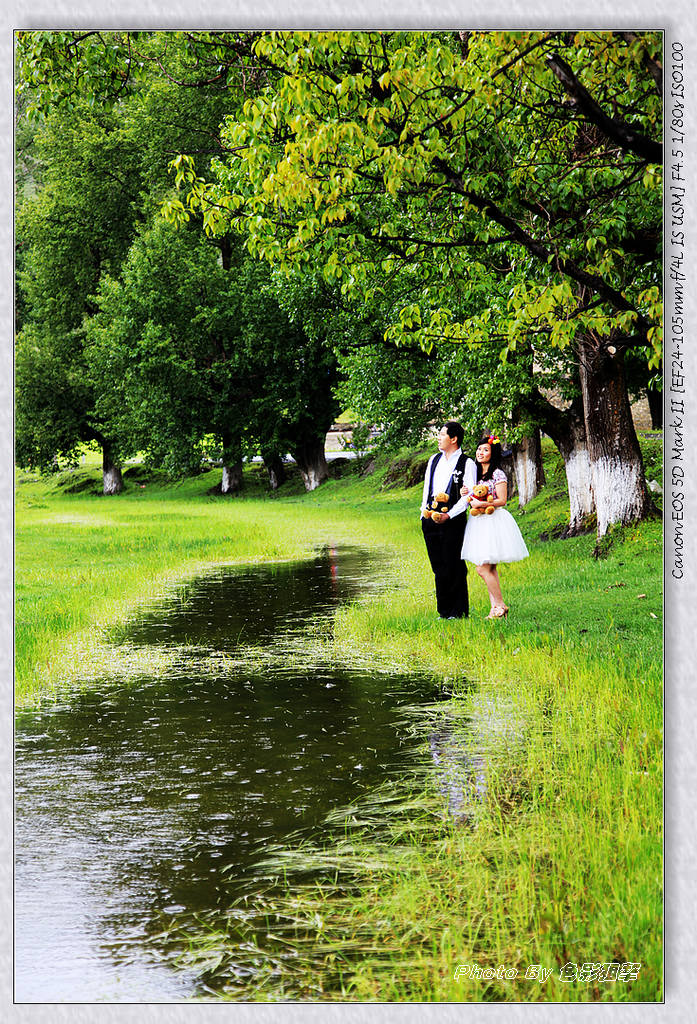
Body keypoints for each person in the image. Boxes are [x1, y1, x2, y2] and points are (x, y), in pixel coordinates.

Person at [460, 434, 529, 619]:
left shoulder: (498, 473)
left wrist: (481, 505)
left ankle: (500, 605)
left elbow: (502, 500)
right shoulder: (475, 473)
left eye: (485, 450)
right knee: (489, 569)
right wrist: (465, 492)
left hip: (493, 522)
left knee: (482, 568)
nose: (480, 453)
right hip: (479, 523)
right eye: (479, 449)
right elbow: (473, 494)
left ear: (493, 453)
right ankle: (495, 609)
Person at [421, 422, 477, 619]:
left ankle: (459, 611)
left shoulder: (467, 463)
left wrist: (450, 514)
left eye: (442, 434)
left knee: (454, 564)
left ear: (453, 439)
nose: (438, 437)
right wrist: (423, 514)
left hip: (453, 520)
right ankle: (444, 611)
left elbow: (468, 495)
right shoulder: (434, 460)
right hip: (430, 519)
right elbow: (427, 489)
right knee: (438, 566)